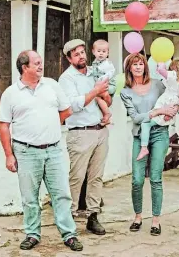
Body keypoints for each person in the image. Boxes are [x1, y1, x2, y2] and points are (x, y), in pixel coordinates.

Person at [0, 50, 83, 252]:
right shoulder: (11, 93)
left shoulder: (51, 85)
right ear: (24, 67)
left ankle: (69, 234)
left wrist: (50, 125)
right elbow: (3, 125)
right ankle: (32, 234)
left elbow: (66, 110)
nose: (40, 65)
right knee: (30, 197)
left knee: (62, 194)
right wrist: (9, 155)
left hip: (53, 150)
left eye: (40, 62)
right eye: (36, 63)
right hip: (26, 152)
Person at [120, 53, 178, 236]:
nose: (138, 67)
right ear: (129, 68)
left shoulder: (157, 84)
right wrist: (157, 111)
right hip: (139, 136)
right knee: (137, 180)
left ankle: (155, 220)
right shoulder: (125, 91)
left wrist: (172, 112)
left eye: (140, 64)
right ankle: (138, 217)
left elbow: (172, 99)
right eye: (134, 64)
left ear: (145, 66)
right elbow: (136, 118)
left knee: (155, 178)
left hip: (160, 134)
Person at [58, 39, 111, 236]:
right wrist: (95, 91)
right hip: (80, 132)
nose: (81, 56)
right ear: (69, 58)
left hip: (100, 130)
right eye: (76, 54)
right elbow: (73, 105)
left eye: (82, 52)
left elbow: (107, 98)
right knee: (77, 177)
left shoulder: (94, 72)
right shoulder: (66, 79)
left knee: (96, 177)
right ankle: (69, 218)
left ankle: (93, 216)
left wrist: (104, 96)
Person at [136, 59, 179, 161]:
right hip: (171, 105)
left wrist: (161, 62)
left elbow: (161, 70)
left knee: (145, 123)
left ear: (174, 68)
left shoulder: (173, 75)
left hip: (165, 104)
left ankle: (144, 148)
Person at [91, 39, 116, 125]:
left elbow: (110, 73)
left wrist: (101, 81)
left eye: (104, 51)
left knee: (97, 97)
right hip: (102, 86)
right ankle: (106, 118)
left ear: (108, 53)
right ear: (93, 52)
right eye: (99, 51)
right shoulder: (95, 63)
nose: (101, 53)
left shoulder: (107, 63)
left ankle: (107, 113)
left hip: (109, 86)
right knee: (98, 99)